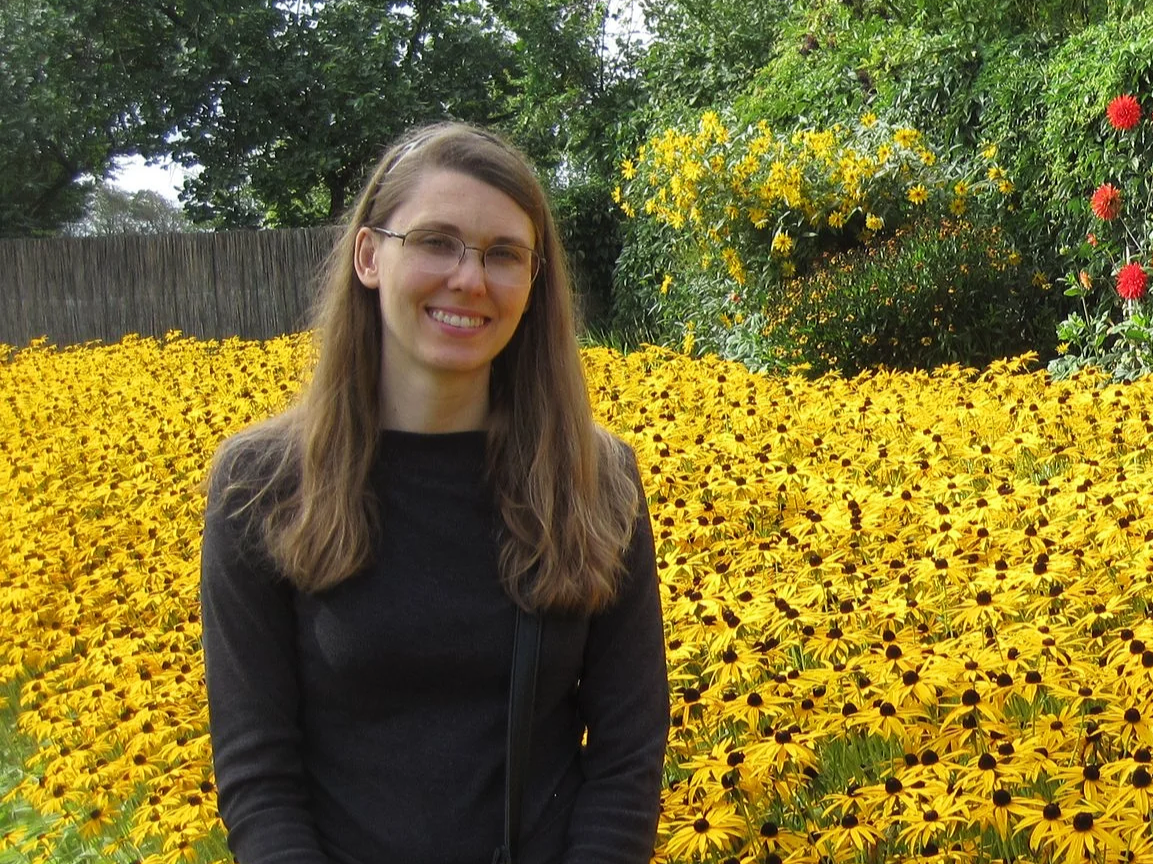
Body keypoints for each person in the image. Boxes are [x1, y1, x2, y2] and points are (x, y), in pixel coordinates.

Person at [199, 122, 669, 864]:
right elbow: (259, 774)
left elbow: (627, 754)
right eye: (434, 241)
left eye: (503, 255)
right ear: (368, 256)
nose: (469, 279)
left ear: (533, 281)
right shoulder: (260, 486)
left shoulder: (593, 480)